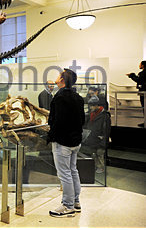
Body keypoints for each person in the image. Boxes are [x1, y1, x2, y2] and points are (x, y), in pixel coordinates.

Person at [47, 69, 85, 218]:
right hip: (75, 141)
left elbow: (55, 121)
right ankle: (75, 201)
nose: (56, 77)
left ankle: (68, 206)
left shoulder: (60, 97)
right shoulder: (78, 97)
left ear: (62, 80)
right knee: (72, 171)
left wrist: (52, 136)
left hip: (63, 142)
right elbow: (81, 120)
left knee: (65, 174)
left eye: (58, 75)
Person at [82, 98, 110, 173]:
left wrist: (103, 142)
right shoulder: (91, 114)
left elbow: (106, 130)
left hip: (100, 139)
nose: (90, 108)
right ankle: (96, 167)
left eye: (92, 106)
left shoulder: (104, 115)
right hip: (92, 138)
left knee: (100, 154)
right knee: (94, 154)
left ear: (96, 105)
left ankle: (101, 168)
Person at [127, 60, 146, 127]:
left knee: (144, 106)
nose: (139, 65)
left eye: (140, 64)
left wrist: (131, 76)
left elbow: (139, 80)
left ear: (143, 65)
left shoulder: (143, 73)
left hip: (143, 92)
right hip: (143, 91)